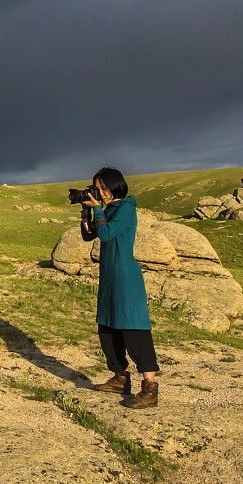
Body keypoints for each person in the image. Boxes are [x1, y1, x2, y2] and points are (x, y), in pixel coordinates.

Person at [77, 167, 158, 409]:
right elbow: (88, 235)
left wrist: (98, 209)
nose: (100, 193)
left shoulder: (126, 209)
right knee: (107, 327)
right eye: (97, 188)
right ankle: (120, 377)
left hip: (125, 276)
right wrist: (85, 211)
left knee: (134, 327)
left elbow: (107, 234)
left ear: (116, 186)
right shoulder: (108, 209)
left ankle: (150, 387)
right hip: (109, 276)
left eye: (103, 188)